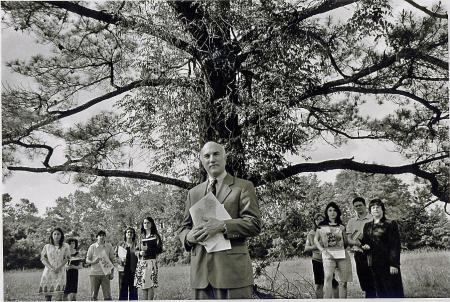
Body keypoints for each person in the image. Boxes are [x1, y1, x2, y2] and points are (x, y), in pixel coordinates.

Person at [179, 141, 262, 299]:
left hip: (233, 275)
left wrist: (223, 225)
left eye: (216, 154)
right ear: (202, 161)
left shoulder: (243, 187)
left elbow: (254, 224)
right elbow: (183, 228)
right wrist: (188, 237)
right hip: (200, 278)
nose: (212, 159)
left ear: (225, 157)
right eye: (207, 156)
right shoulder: (193, 193)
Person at [360, 199, 404, 298]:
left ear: (382, 209)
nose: (376, 209)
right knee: (380, 292)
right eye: (373, 208)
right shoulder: (367, 226)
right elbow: (365, 241)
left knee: (392, 291)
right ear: (370, 211)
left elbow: (395, 245)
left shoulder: (391, 223)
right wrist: (365, 245)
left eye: (378, 207)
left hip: (388, 264)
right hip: (374, 264)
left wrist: (394, 264)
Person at [314, 202, 353, 298]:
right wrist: (323, 250)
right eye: (330, 210)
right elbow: (316, 240)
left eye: (334, 210)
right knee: (328, 278)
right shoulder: (322, 225)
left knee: (343, 282)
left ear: (338, 212)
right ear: (327, 212)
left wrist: (343, 231)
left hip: (342, 255)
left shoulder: (341, 225)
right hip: (328, 255)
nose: (332, 212)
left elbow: (346, 243)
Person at [346, 197, 376, 298]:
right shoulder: (351, 221)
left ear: (365, 205)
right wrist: (357, 243)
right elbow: (348, 239)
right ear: (354, 208)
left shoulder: (373, 218)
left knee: (375, 279)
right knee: (364, 280)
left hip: (373, 253)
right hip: (359, 254)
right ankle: (369, 297)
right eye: (356, 206)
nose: (358, 207)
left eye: (360, 205)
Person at [304, 213, 338, 299]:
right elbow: (306, 248)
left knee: (333, 283)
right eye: (317, 219)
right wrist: (316, 246)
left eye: (321, 219)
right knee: (319, 285)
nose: (319, 221)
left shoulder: (329, 231)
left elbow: (336, 245)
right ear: (314, 222)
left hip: (329, 260)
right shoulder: (311, 233)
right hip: (317, 260)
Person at [38, 227, 70, 301]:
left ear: (61, 235)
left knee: (59, 296)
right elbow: (43, 259)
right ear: (52, 235)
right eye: (54, 234)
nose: (56, 236)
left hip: (60, 271)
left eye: (58, 234)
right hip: (48, 272)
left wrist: (59, 267)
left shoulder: (65, 246)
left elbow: (67, 258)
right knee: (48, 296)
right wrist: (51, 268)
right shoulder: (47, 246)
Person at [134, 217, 163, 300]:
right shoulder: (140, 237)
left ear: (151, 224)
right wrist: (139, 253)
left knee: (150, 285)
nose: (146, 224)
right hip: (142, 263)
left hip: (151, 262)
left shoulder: (155, 236)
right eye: (144, 223)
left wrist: (149, 249)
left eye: (148, 223)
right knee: (143, 286)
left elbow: (160, 249)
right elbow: (136, 250)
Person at [86, 230, 115, 300]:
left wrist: (112, 273)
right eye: (100, 235)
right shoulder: (92, 247)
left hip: (106, 274)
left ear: (105, 237)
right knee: (93, 297)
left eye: (104, 236)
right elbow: (87, 260)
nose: (102, 237)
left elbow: (112, 260)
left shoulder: (109, 246)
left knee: (107, 296)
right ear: (97, 237)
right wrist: (93, 262)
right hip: (94, 274)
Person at [116, 227, 139, 300]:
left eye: (131, 232)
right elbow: (115, 257)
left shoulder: (136, 244)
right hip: (123, 271)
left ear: (133, 234)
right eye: (128, 232)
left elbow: (140, 256)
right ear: (125, 234)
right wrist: (120, 261)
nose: (129, 233)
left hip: (133, 271)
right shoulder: (121, 244)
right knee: (123, 291)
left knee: (134, 292)